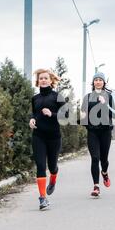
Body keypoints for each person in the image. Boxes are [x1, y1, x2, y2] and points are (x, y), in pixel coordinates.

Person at [29, 68, 67, 210]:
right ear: (38, 81)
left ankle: (53, 177)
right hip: (38, 136)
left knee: (52, 166)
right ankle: (42, 198)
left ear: (51, 80)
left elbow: (65, 116)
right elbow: (34, 113)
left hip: (54, 137)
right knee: (40, 166)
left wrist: (52, 113)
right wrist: (32, 120)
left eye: (46, 78)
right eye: (41, 78)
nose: (43, 80)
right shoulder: (35, 99)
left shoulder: (58, 97)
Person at [80, 72, 115, 198]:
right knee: (95, 158)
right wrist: (83, 116)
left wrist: (105, 104)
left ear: (103, 83)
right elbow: (83, 114)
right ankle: (96, 186)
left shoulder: (109, 96)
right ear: (93, 83)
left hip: (105, 131)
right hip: (92, 132)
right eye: (95, 80)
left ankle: (105, 172)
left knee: (104, 159)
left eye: (100, 80)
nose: (98, 82)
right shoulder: (88, 97)